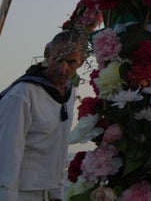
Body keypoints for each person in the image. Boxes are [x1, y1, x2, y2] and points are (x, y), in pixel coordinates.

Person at [0, 29, 86, 201]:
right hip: (18, 192)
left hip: (47, 191)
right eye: (58, 59)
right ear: (48, 55)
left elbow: (60, 147)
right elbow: (8, 152)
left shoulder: (68, 94)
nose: (63, 69)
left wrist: (57, 193)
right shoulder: (22, 94)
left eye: (71, 62)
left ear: (80, 63)